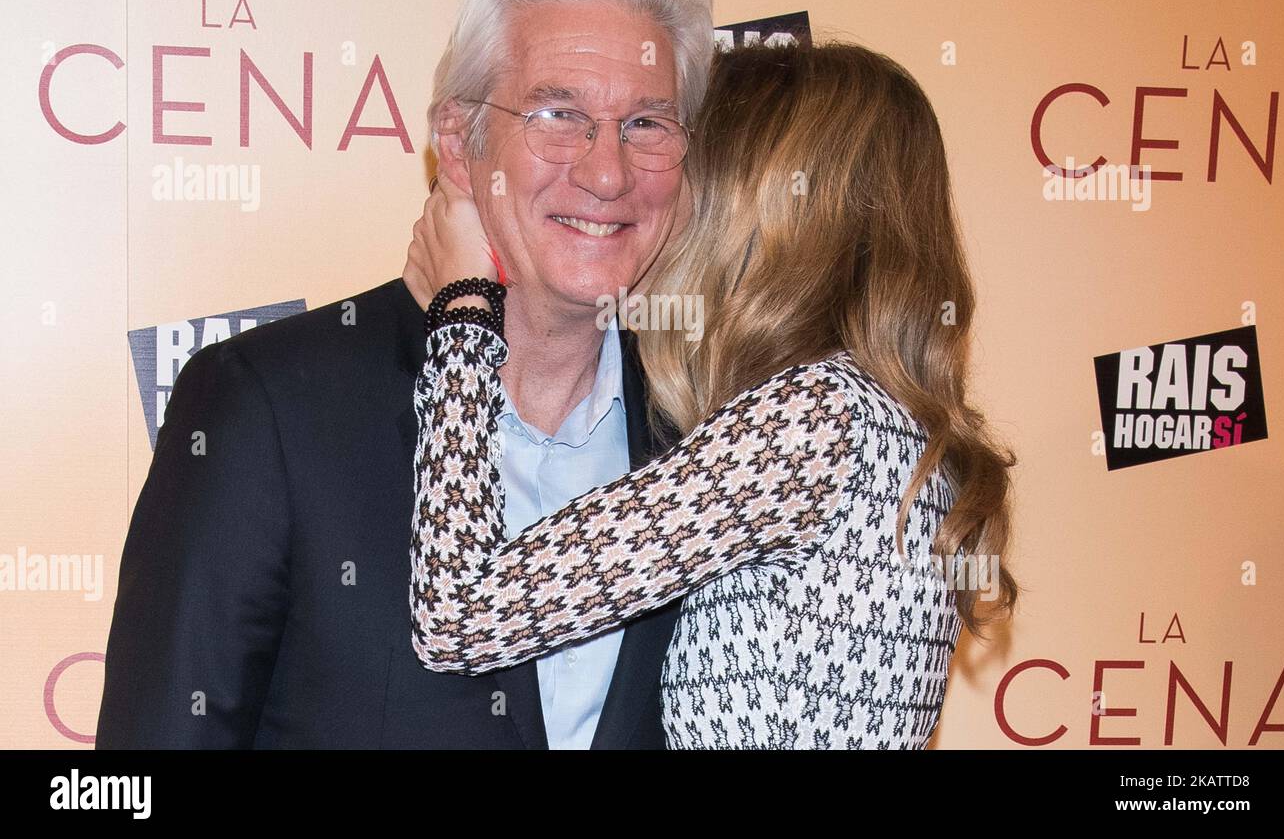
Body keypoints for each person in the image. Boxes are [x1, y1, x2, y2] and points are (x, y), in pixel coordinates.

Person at [96, 0, 713, 749]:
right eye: (558, 113)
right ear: (459, 145)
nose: (607, 172)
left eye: (647, 124)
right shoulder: (267, 410)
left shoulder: (706, 424)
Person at [402, 39, 1020, 748]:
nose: (646, 187)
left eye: (688, 161)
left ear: (762, 203)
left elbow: (458, 611)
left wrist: (461, 308)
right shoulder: (892, 420)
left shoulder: (812, 422)